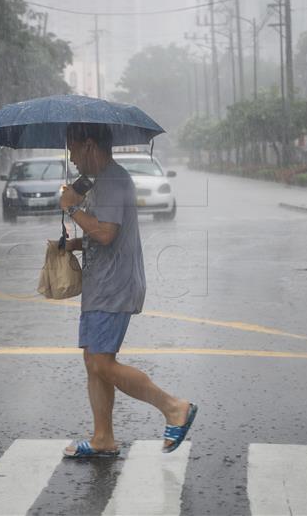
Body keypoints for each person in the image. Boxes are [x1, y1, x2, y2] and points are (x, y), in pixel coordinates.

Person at [58, 123, 197, 458]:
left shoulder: (113, 180)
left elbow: (106, 233)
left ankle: (173, 407)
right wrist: (73, 243)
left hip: (113, 287)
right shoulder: (100, 181)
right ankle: (103, 438)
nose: (72, 158)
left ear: (89, 145)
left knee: (103, 364)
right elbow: (103, 235)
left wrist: (72, 208)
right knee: (93, 360)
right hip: (102, 285)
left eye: (73, 149)